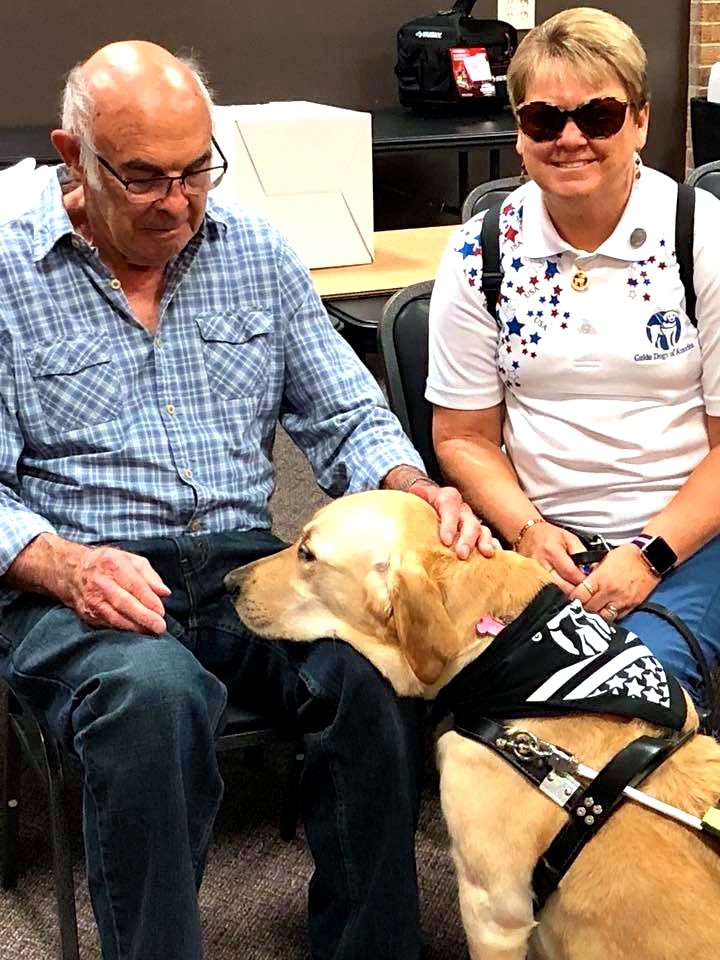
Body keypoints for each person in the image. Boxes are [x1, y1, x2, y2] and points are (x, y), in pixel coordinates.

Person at [0, 41, 495, 960]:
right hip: (77, 580)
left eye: (196, 170)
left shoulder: (254, 251)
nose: (178, 202)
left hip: (237, 563)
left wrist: (415, 486)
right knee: (153, 698)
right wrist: (64, 565)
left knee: (374, 668)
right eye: (144, 178)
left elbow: (345, 415)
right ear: (74, 156)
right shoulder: (6, 273)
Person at [426, 6, 720, 710]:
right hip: (535, 538)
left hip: (687, 541)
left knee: (626, 692)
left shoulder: (700, 236)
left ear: (640, 121)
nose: (570, 139)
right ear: (519, 132)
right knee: (497, 696)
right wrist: (529, 532)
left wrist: (649, 555)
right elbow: (462, 436)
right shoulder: (480, 251)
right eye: (543, 120)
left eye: (598, 116)